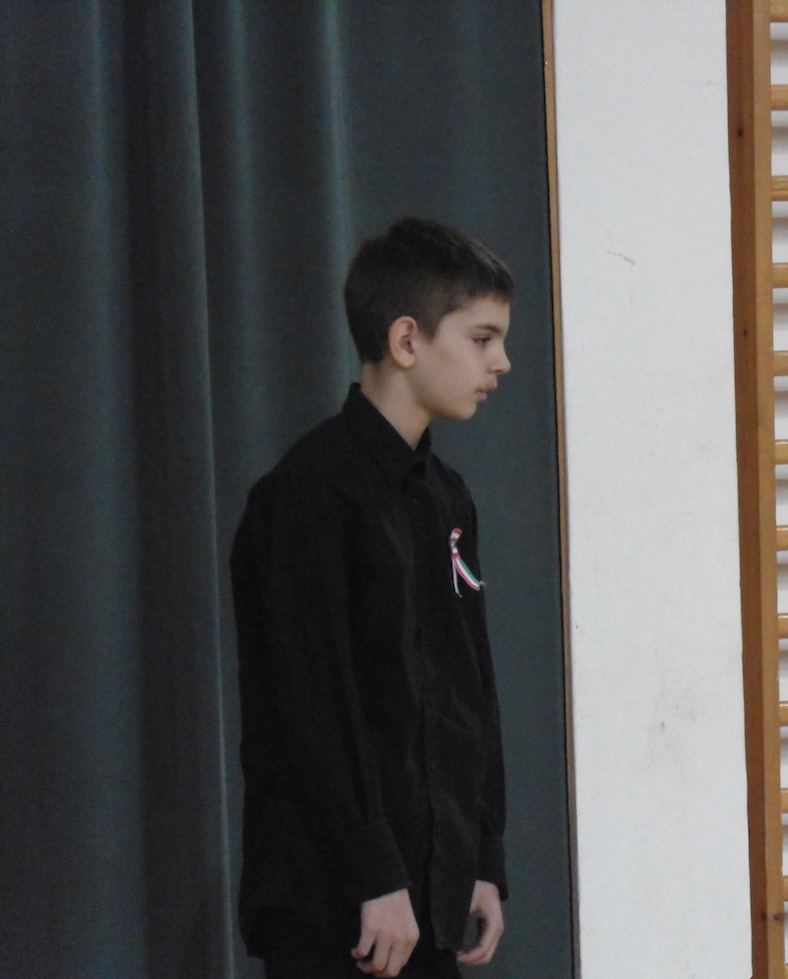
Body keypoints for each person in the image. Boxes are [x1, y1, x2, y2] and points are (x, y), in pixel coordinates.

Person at [231, 218, 513, 979]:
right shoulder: (306, 495)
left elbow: (469, 687)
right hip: (335, 903)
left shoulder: (448, 498)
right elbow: (312, 701)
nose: (501, 361)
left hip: (429, 894)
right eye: (482, 338)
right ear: (407, 340)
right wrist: (373, 873)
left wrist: (482, 856)